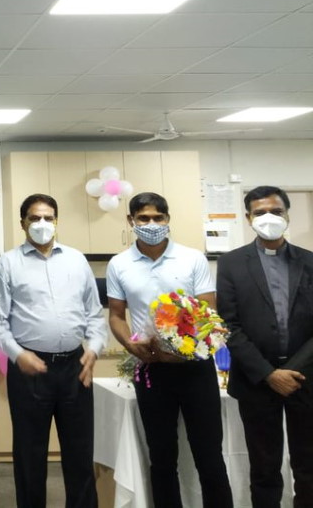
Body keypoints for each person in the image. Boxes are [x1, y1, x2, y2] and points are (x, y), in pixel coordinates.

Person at [106, 192, 233, 507]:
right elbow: (117, 315)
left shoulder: (192, 258)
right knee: (161, 458)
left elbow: (208, 312)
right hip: (150, 369)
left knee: (209, 456)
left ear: (167, 219)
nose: (151, 224)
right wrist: (130, 344)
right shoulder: (119, 264)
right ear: (131, 221)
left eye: (158, 218)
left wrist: (184, 347)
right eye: (144, 218)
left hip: (195, 368)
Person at [0, 193, 105, 508]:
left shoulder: (76, 260)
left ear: (57, 221)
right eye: (34, 218)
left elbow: (94, 314)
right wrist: (18, 354)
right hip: (30, 369)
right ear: (22, 222)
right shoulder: (7, 264)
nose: (42, 224)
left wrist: (93, 348)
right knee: (30, 454)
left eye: (48, 218)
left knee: (80, 454)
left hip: (76, 367)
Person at [217, 185, 313, 507]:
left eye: (276, 211)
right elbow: (228, 324)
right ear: (248, 218)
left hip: (306, 378)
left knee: (309, 465)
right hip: (256, 381)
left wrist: (292, 370)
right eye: (260, 212)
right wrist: (269, 373)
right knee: (264, 467)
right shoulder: (231, 264)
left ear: (287, 214)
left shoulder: (310, 262)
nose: (268, 217)